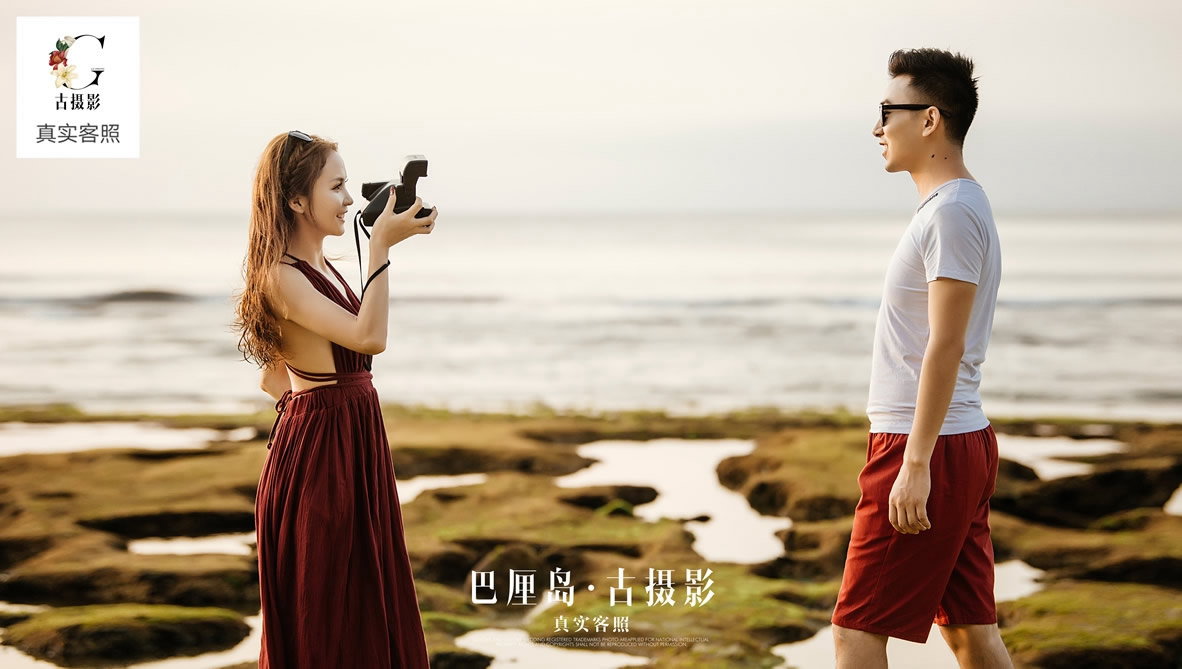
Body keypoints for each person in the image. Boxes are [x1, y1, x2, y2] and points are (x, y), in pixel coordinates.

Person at [830, 49, 1012, 669]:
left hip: (925, 442)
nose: (877, 127)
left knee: (856, 631)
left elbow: (946, 344)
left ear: (930, 118)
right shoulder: (953, 207)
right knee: (969, 630)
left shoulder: (953, 212)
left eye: (888, 111)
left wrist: (914, 462)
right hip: (954, 441)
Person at [233, 130, 439, 668]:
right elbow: (369, 338)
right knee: (328, 619)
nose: (349, 199)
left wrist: (313, 409)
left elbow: (274, 379)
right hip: (324, 460)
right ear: (297, 201)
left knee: (363, 608)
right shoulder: (279, 276)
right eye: (336, 186)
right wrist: (380, 247)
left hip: (342, 445)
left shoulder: (320, 269)